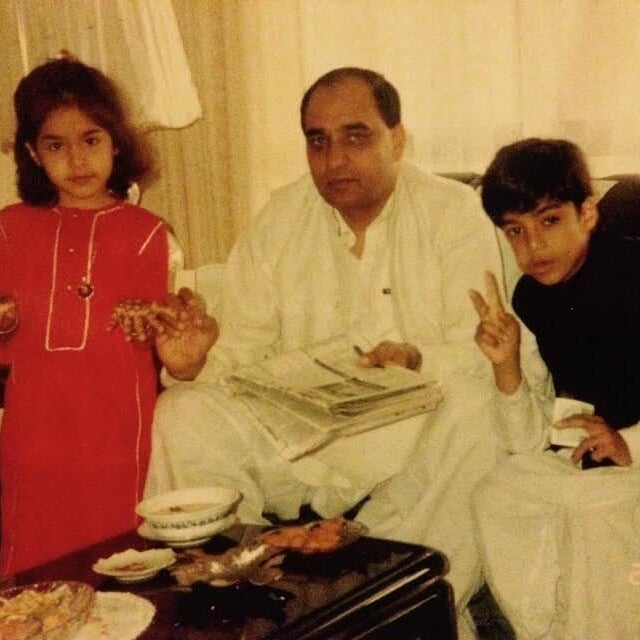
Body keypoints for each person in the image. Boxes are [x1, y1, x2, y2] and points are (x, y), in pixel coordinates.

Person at [147, 67, 504, 638]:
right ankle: (234, 606)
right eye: (319, 140)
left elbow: (484, 348)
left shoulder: (454, 213)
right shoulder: (278, 220)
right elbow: (239, 355)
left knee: (478, 408)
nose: (334, 158)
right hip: (300, 436)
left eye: (356, 135)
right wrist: (190, 365)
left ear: (399, 139)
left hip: (416, 435)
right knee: (183, 413)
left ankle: (403, 607)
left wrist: (416, 358)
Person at [0, 56, 184, 576]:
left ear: (117, 142)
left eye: (91, 139)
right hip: (35, 429)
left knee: (118, 561)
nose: (76, 159)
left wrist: (148, 322)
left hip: (114, 429)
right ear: (33, 153)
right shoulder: (9, 230)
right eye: (56, 145)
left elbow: (154, 339)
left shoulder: (148, 233)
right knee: (34, 564)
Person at [469, 138, 640, 639]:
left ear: (586, 213)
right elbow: (530, 438)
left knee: (593, 513)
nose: (532, 248)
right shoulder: (533, 297)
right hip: (591, 455)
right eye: (514, 231)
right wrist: (506, 366)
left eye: (548, 221)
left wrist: (629, 442)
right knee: (498, 493)